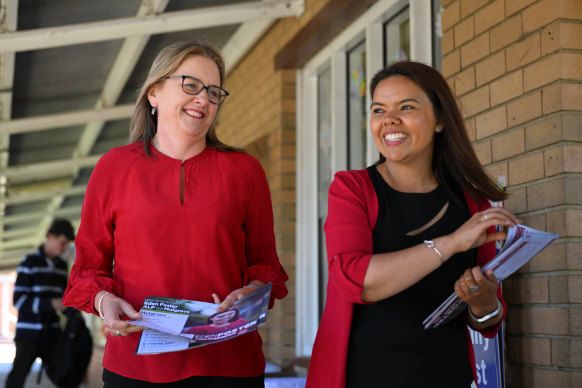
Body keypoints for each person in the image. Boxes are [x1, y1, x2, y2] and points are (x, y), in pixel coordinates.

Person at [62, 40, 288, 387]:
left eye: (214, 92)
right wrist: (104, 301)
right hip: (137, 366)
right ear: (154, 93)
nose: (203, 99)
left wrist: (252, 292)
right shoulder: (113, 168)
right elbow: (88, 268)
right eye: (191, 85)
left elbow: (266, 266)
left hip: (229, 367)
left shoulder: (245, 171)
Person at [306, 61, 521, 388]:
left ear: (439, 120)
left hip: (447, 377)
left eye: (406, 107)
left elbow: (487, 320)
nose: (389, 119)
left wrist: (482, 301)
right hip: (362, 378)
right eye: (379, 110)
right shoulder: (353, 189)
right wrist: (452, 243)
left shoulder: (471, 203)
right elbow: (356, 280)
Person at [6, 218, 75, 388]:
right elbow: (19, 301)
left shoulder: (61, 266)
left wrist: (72, 312)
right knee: (17, 377)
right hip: (28, 335)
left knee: (62, 375)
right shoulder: (28, 263)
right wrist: (51, 304)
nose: (65, 248)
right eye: (63, 242)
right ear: (50, 236)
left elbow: (63, 299)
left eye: (67, 244)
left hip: (52, 333)